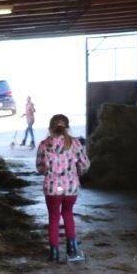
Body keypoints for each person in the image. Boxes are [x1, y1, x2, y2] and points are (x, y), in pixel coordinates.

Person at [36, 113, 90, 263]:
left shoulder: (44, 144)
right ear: (68, 127)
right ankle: (72, 249)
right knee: (68, 214)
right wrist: (77, 171)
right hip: (70, 188)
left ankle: (54, 253)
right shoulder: (75, 143)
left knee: (53, 218)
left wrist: (49, 170)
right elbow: (85, 164)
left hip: (53, 189)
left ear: (50, 128)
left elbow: (39, 168)